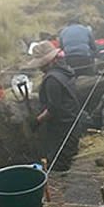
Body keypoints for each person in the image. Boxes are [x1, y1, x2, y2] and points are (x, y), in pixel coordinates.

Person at [27, 41, 84, 171]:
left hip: (62, 126)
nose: (39, 67)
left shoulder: (52, 80)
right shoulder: (65, 71)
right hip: (72, 122)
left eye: (41, 64)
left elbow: (53, 108)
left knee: (59, 162)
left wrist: (37, 121)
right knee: (67, 154)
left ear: (49, 61)